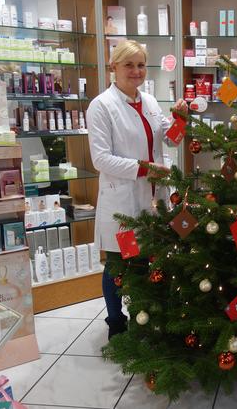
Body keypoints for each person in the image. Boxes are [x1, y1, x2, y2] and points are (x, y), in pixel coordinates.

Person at [87, 40, 187, 339]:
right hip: (123, 202)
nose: (136, 71)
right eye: (128, 65)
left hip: (153, 198)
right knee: (119, 264)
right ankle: (116, 323)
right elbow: (100, 159)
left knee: (146, 259)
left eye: (141, 64)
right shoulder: (102, 106)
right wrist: (146, 168)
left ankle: (143, 317)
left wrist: (181, 119)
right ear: (113, 68)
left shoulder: (151, 102)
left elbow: (171, 140)